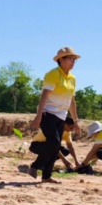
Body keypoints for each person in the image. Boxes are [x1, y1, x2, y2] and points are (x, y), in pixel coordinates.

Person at [29, 46, 83, 184]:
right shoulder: (53, 74)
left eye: (74, 59)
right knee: (53, 143)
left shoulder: (72, 78)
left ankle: (46, 176)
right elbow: (44, 95)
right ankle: (35, 166)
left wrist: (75, 120)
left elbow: (71, 101)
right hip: (48, 114)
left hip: (61, 116)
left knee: (56, 146)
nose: (73, 62)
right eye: (70, 59)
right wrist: (38, 115)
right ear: (61, 60)